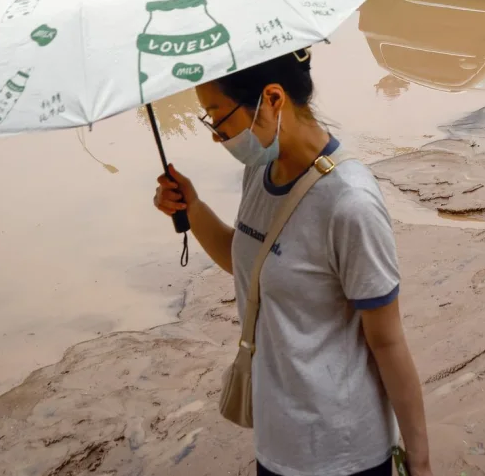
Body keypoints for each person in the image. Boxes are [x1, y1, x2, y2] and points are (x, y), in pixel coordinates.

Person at [153, 50, 433, 476]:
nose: (216, 135)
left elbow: (388, 342)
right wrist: (192, 207)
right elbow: (250, 265)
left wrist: (421, 462)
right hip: (277, 442)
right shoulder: (260, 169)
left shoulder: (350, 203)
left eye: (218, 116)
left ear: (272, 99)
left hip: (343, 452)